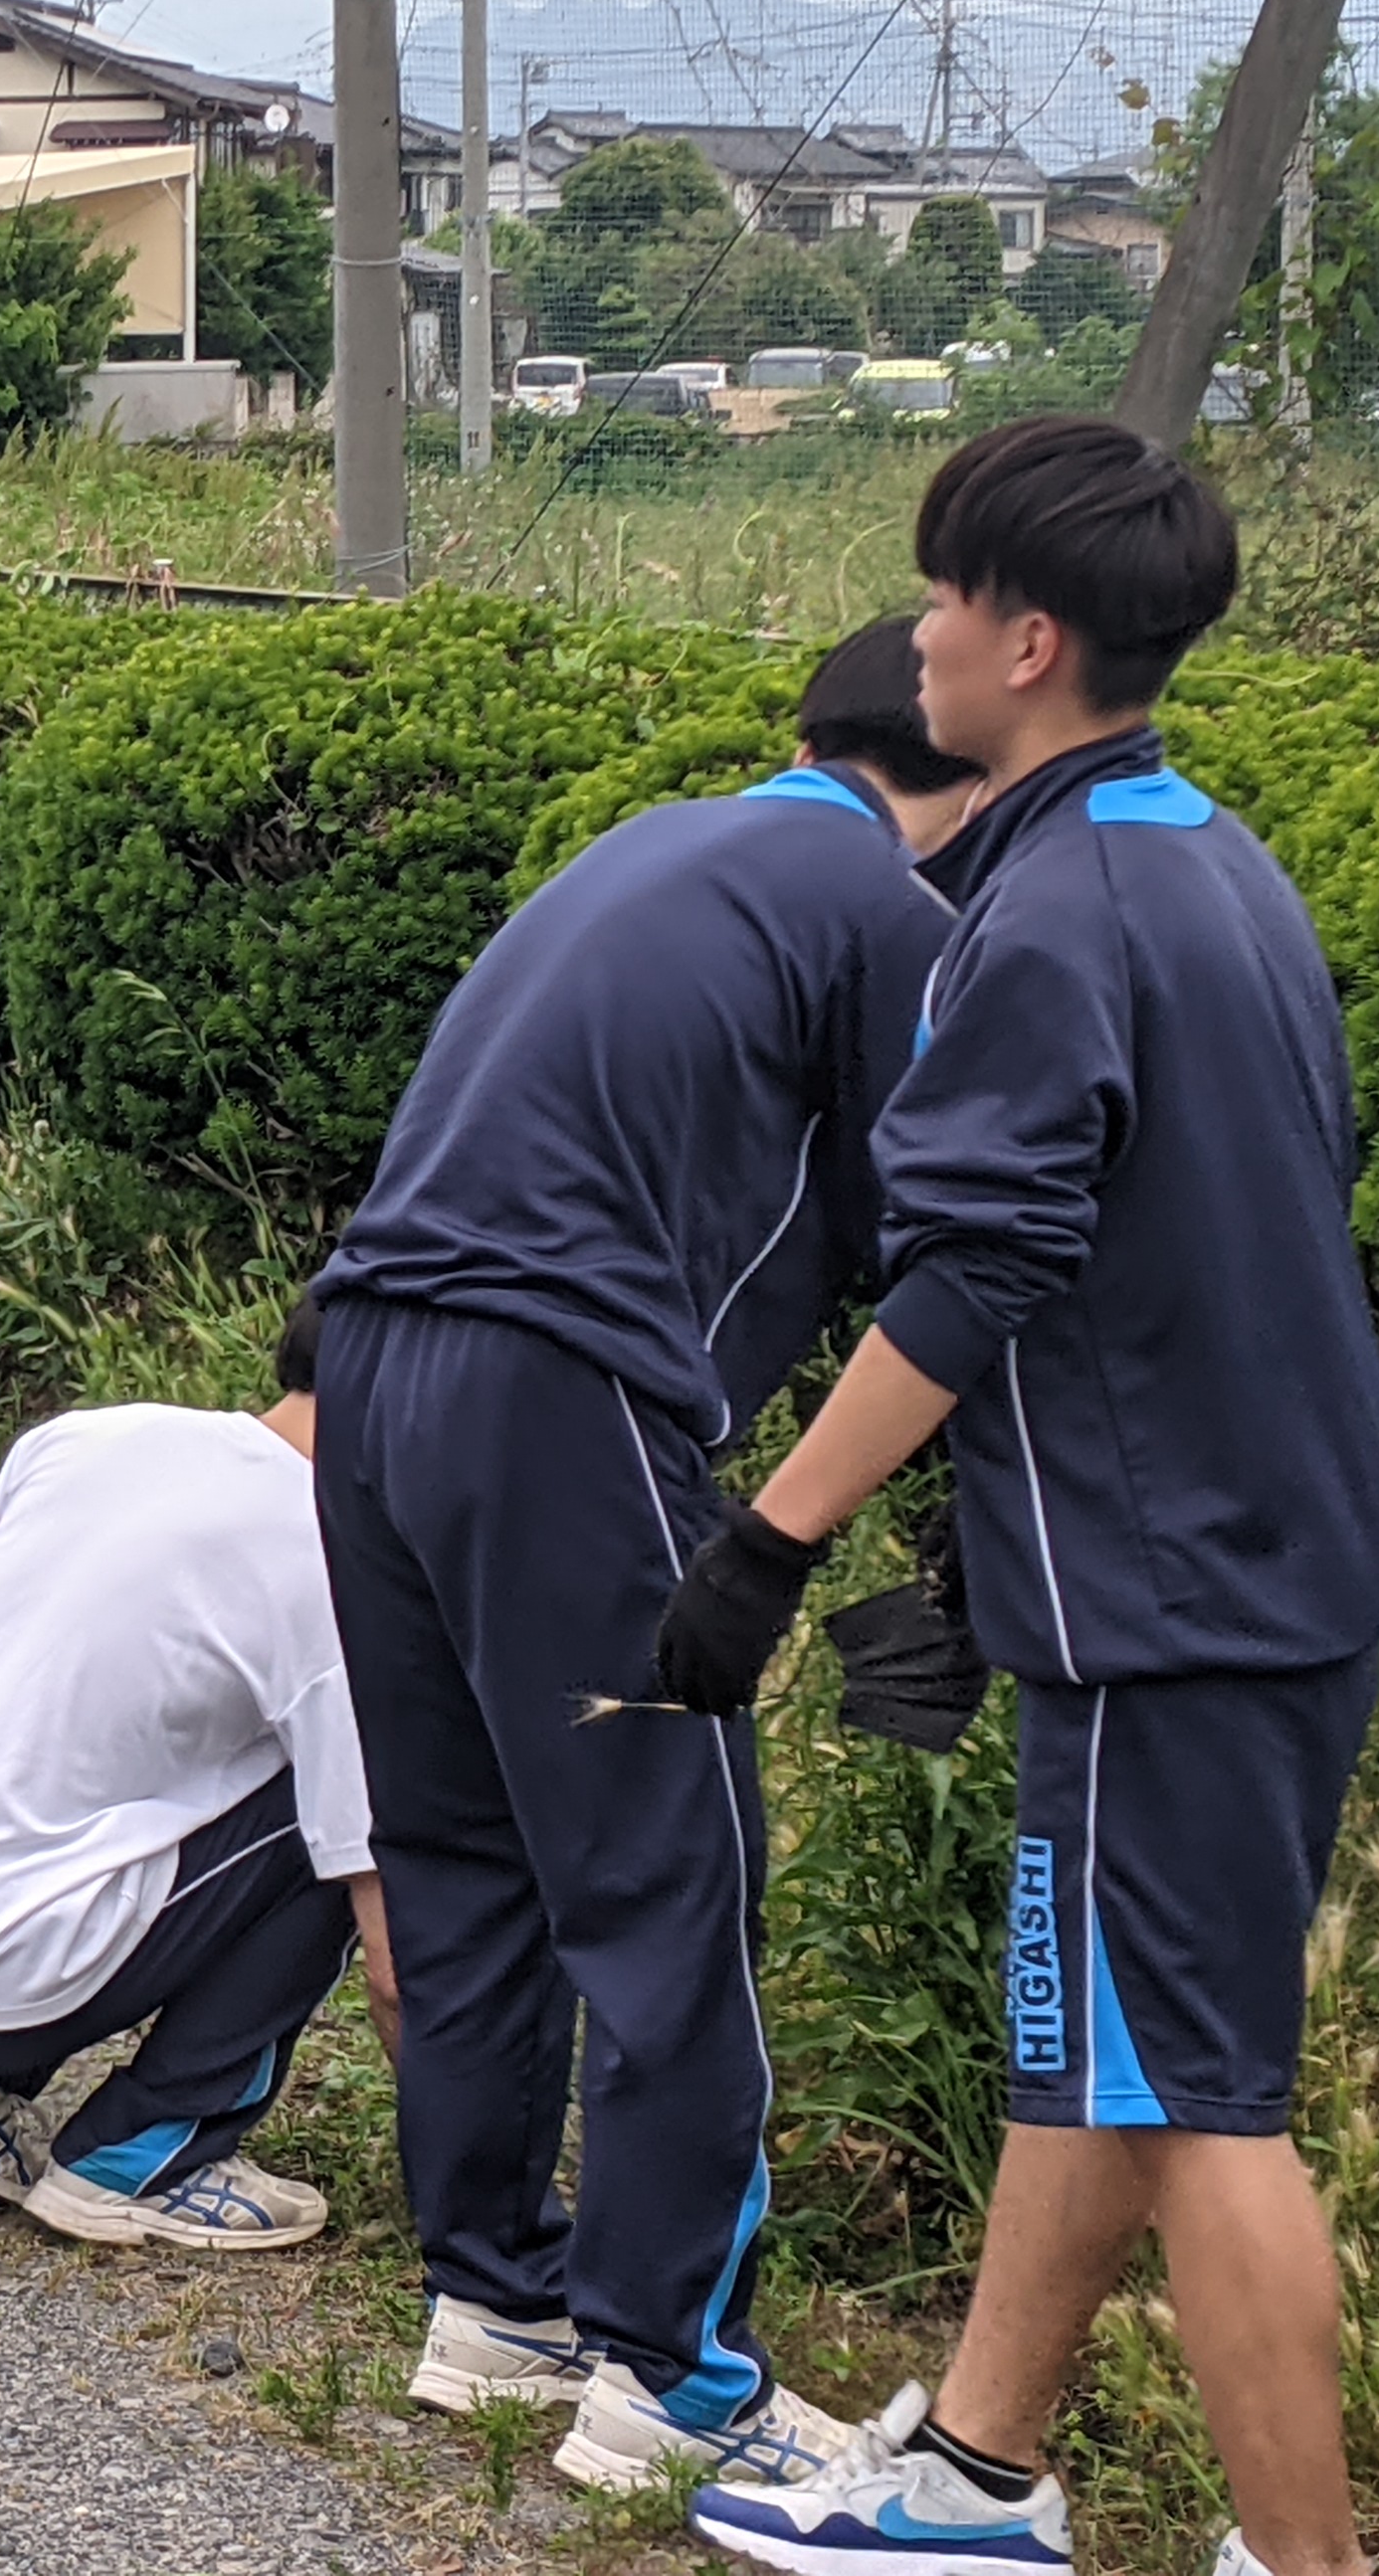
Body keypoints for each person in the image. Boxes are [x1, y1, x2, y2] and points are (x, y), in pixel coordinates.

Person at [663, 423, 1379, 2576]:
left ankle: (1308, 2563)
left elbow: (981, 1270)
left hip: (1172, 1610)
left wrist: (772, 1540)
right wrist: (990, 1548)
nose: (916, 633)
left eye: (938, 600)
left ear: (1032, 638)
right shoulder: (1204, 855)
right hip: (1268, 1557)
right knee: (1099, 2020)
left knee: (1193, 2097)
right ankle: (982, 2469)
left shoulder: (1049, 908)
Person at [303, 619, 981, 2493]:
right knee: (671, 1876)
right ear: (970, 771)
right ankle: (672, 2367)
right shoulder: (890, 906)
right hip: (563, 1384)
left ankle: (494, 2299)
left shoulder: (648, 846)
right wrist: (959, 1541)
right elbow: (949, 1247)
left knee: (463, 1853)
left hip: (368, 1363)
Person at [0, 1292, 386, 2254]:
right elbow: (387, 1932)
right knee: (337, 1809)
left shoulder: (87, 1438)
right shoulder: (336, 1561)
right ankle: (151, 2150)